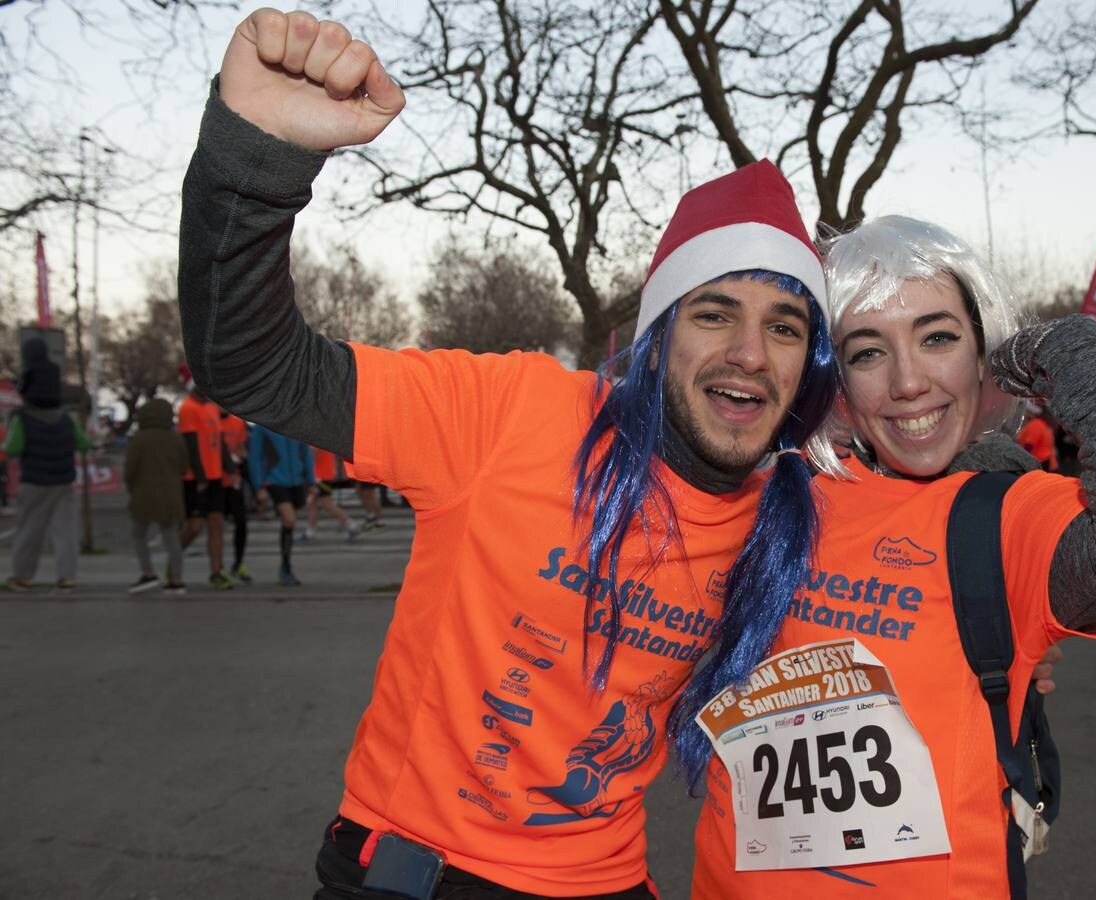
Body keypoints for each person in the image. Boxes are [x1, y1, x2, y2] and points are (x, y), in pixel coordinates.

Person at [179, 9, 837, 897]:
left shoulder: (787, 524)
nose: (750, 353)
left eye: (785, 326)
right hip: (422, 875)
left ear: (807, 367)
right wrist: (254, 164)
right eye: (715, 312)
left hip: (611, 880)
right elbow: (254, 365)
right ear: (657, 337)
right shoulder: (513, 413)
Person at [687, 216, 1096, 899]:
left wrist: (1059, 349)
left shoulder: (1009, 513)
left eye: (939, 337)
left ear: (983, 349)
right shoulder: (768, 493)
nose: (909, 382)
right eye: (866, 353)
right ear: (832, 378)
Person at [5, 337, 89, 592]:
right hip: (64, 480)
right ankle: (66, 577)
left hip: (34, 481)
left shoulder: (23, 419)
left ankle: (23, 576)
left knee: (30, 530)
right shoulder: (66, 420)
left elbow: (13, 448)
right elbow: (83, 444)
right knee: (66, 532)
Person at [124, 397, 189, 594]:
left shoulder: (138, 439)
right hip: (171, 494)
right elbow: (184, 467)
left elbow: (130, 470)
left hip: (143, 493)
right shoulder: (175, 438)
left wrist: (132, 488)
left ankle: (148, 573)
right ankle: (177, 580)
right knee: (172, 539)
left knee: (138, 534)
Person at [177, 364, 231, 590]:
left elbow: (219, 443)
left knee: (216, 523)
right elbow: (190, 444)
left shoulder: (211, 407)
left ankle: (217, 571)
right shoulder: (187, 409)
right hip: (195, 478)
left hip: (215, 475)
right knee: (194, 526)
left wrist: (231, 468)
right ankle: (174, 559)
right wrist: (200, 477)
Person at [249, 424, 314, 586]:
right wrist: (258, 487)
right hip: (274, 480)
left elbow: (306, 452)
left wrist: (311, 480)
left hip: (296, 480)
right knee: (289, 519)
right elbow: (254, 457)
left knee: (288, 524)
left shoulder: (296, 422)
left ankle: (285, 566)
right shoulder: (262, 426)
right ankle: (285, 568)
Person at [220, 411, 254, 582]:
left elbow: (242, 449)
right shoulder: (210, 418)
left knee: (241, 522)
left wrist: (239, 459)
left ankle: (238, 562)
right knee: (214, 525)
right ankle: (218, 567)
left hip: (234, 481)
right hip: (215, 480)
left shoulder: (237, 423)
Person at [303, 447, 362, 543]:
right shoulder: (324, 439)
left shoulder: (316, 439)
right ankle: (310, 532)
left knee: (326, 504)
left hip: (319, 476)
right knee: (313, 504)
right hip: (325, 475)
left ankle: (352, 525)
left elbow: (313, 457)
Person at [1014, 401, 1057, 471]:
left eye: (1026, 411)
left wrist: (1022, 461)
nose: (1024, 413)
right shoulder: (1042, 423)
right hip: (1045, 461)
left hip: (1040, 461)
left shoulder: (1035, 424)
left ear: (1031, 412)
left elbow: (1029, 445)